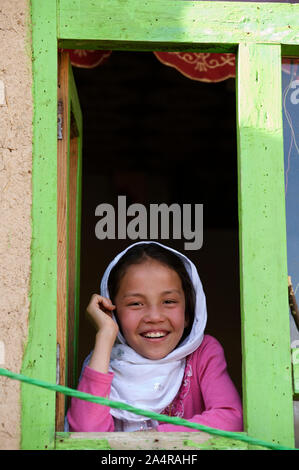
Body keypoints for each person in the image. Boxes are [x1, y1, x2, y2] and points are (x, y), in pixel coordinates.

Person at [66, 241, 243, 432]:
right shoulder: (101, 363)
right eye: (135, 304)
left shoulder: (203, 354)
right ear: (114, 312)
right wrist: (106, 334)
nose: (154, 317)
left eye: (168, 301)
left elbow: (230, 419)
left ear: (188, 313)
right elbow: (86, 433)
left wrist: (152, 438)